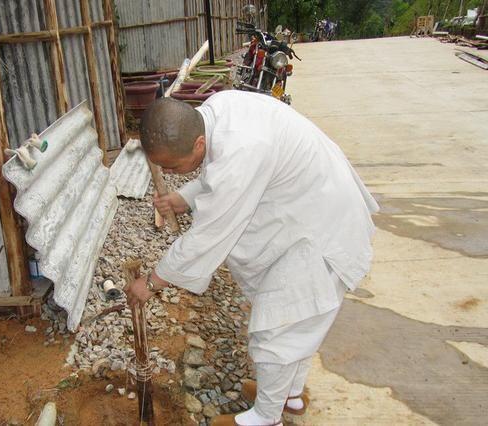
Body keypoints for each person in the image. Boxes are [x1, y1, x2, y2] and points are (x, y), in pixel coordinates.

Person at [125, 91, 378, 426]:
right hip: (312, 207)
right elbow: (217, 175)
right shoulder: (217, 112)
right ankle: (289, 396)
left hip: (322, 231)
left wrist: (153, 281)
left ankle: (265, 418)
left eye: (172, 166)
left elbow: (209, 234)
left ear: (198, 144)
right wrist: (183, 197)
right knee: (299, 321)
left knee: (279, 326)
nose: (169, 173)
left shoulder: (242, 148)